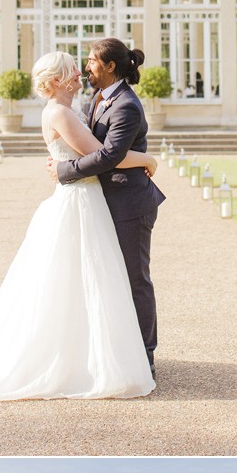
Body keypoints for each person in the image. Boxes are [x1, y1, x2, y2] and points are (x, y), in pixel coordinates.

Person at [0, 50, 158, 401]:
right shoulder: (61, 113)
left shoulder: (75, 108)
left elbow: (97, 152)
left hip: (88, 199)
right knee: (82, 280)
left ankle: (94, 354)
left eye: (83, 67)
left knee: (92, 281)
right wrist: (147, 159)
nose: (80, 74)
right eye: (71, 72)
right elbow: (104, 154)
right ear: (54, 81)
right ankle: (83, 360)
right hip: (79, 201)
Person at [47, 38, 165, 378]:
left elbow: (108, 156)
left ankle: (146, 356)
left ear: (110, 66)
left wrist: (63, 172)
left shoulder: (126, 104)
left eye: (91, 62)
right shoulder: (95, 98)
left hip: (129, 203)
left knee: (134, 280)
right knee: (105, 280)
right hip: (101, 203)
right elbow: (82, 144)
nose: (86, 68)